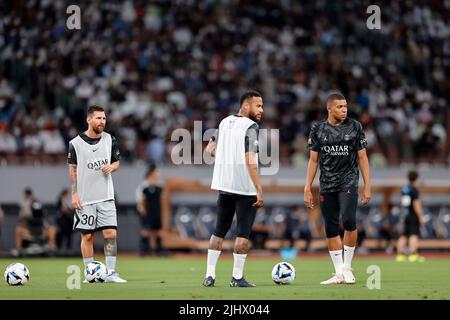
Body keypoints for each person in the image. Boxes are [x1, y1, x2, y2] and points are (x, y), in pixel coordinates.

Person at [304, 93, 371, 285]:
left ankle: (348, 268)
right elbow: (313, 160)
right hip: (326, 184)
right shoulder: (317, 128)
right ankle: (339, 272)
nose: (344, 110)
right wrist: (307, 187)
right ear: (329, 108)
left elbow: (363, 158)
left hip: (348, 181)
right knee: (330, 228)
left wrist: (367, 186)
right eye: (340, 107)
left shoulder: (355, 126)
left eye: (345, 106)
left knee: (349, 220)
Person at [203, 90, 264, 288]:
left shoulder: (224, 122)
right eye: (258, 106)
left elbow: (209, 150)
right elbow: (251, 161)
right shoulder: (251, 126)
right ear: (246, 106)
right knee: (243, 235)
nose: (261, 110)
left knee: (218, 232)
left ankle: (209, 275)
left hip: (224, 186)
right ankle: (237, 278)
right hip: (245, 188)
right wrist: (259, 188)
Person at [68, 105, 126, 283]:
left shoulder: (110, 139)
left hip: (106, 196)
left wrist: (112, 167)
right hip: (85, 198)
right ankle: (90, 273)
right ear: (89, 119)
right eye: (99, 118)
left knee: (110, 234)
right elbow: (73, 170)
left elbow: (117, 162)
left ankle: (111, 273)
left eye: (104, 118)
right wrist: (74, 194)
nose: (102, 122)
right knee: (87, 236)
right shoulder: (75, 143)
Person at [396, 170, 426, 262]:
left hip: (405, 215)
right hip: (413, 215)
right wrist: (421, 216)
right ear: (416, 179)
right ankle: (413, 255)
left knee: (404, 235)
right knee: (414, 234)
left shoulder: (405, 189)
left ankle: (400, 255)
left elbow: (404, 204)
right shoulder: (414, 190)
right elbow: (416, 204)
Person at [136, 164, 165, 256]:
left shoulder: (159, 186)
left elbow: (162, 200)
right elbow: (141, 200)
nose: (157, 174)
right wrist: (143, 210)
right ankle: (144, 250)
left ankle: (159, 250)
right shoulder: (143, 186)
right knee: (145, 230)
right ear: (151, 173)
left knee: (158, 231)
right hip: (147, 212)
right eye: (156, 172)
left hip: (156, 212)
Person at [55, 189, 74, 254]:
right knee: (61, 234)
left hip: (69, 220)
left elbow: (71, 209)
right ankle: (59, 247)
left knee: (69, 235)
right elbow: (60, 210)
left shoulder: (70, 200)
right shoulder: (60, 200)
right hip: (62, 220)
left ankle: (69, 248)